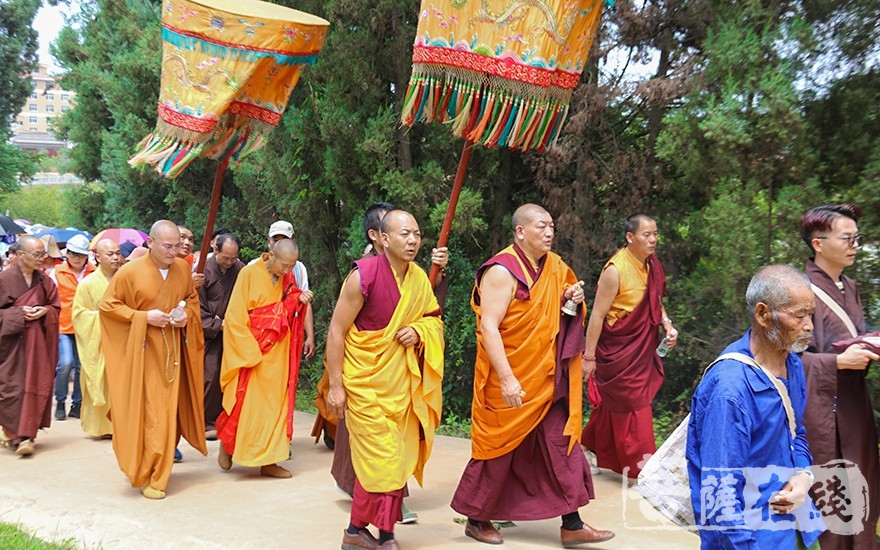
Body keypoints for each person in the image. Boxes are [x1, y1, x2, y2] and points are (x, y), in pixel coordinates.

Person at [450, 204, 613, 546]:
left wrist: (574, 298)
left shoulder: (555, 267)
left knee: (563, 442)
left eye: (552, 226)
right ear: (520, 232)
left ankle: (572, 523)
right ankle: (476, 519)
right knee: (498, 450)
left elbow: (565, 306)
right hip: (508, 378)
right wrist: (508, 378)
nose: (550, 232)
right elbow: (489, 328)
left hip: (546, 378)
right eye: (541, 226)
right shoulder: (501, 271)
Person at [313, 201, 447, 525]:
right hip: (364, 386)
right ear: (383, 239)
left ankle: (370, 532)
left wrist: (418, 331)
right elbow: (336, 329)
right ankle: (366, 530)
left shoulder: (417, 278)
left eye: (417, 234)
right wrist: (335, 385)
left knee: (394, 460)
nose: (413, 240)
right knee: (384, 461)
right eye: (405, 234)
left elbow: (433, 320)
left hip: (400, 388)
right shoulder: (363, 276)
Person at [687, 265, 824, 548]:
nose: (809, 325)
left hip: (797, 527)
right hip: (751, 539)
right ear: (763, 314)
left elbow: (796, 434)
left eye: (810, 314)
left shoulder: (792, 363)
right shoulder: (730, 390)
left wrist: (803, 476)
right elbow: (719, 495)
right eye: (799, 315)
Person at [99, 220, 206, 499]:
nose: (174, 252)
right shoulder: (129, 272)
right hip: (143, 352)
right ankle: (148, 472)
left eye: (178, 246)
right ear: (150, 243)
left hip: (172, 353)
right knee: (151, 413)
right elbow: (108, 306)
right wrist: (143, 317)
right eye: (168, 246)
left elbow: (191, 299)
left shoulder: (182, 269)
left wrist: (187, 315)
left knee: (166, 413)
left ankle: (159, 470)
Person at [800, 204, 880, 548]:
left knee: (862, 486)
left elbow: (851, 338)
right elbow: (784, 358)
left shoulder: (850, 287)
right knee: (831, 493)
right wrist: (835, 363)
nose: (854, 245)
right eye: (847, 238)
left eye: (856, 239)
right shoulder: (799, 290)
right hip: (822, 413)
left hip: (854, 404)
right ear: (818, 243)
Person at [581, 213, 678, 478]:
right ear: (630, 237)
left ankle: (584, 444)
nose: (653, 240)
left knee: (614, 405)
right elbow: (597, 315)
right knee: (635, 403)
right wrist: (589, 357)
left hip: (641, 348)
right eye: (647, 235)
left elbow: (655, 300)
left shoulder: (651, 265)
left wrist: (667, 325)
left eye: (655, 234)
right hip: (618, 349)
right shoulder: (615, 270)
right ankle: (643, 468)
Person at [215, 238, 313, 478]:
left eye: (292, 266)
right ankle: (228, 446)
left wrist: (299, 300)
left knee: (275, 406)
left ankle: (270, 460)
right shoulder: (248, 274)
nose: (288, 271)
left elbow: (288, 306)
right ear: (271, 255)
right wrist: (249, 351)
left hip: (278, 352)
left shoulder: (287, 278)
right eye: (284, 265)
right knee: (244, 403)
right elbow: (235, 317)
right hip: (253, 351)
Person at [0, 236, 60, 456]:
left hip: (37, 346)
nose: (41, 258)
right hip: (11, 347)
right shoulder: (4, 279)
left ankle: (27, 436)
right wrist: (18, 314)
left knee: (36, 385)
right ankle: (12, 432)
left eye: (43, 254)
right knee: (11, 389)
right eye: (36, 254)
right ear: (20, 255)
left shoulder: (45, 281)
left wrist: (46, 311)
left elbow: (55, 307)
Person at [72, 239, 121, 438]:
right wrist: (103, 316)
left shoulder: (125, 279)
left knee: (121, 384)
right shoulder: (87, 284)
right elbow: (79, 315)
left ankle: (121, 424)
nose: (116, 257)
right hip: (99, 341)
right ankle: (102, 427)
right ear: (97, 257)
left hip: (122, 341)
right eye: (110, 254)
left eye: (118, 253)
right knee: (100, 381)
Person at [199, 232, 244, 441]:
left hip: (234, 332)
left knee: (235, 375)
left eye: (233, 258)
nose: (229, 262)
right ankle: (207, 421)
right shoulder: (203, 270)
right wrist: (217, 324)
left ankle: (230, 419)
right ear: (215, 250)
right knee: (211, 375)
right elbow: (196, 306)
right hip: (210, 335)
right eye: (225, 257)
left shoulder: (240, 269)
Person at [53, 234, 95, 421]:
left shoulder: (94, 272)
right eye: (72, 253)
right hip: (63, 326)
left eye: (80, 254)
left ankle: (77, 404)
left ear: (86, 256)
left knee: (82, 366)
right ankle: (60, 400)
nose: (76, 258)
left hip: (86, 327)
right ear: (67, 254)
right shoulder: (56, 273)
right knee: (66, 363)